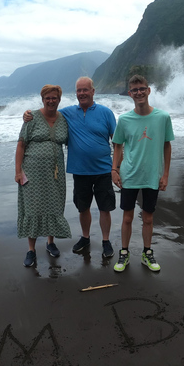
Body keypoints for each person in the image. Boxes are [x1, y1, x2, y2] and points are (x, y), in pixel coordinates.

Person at [24, 77, 117, 258]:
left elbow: (117, 142)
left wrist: (116, 167)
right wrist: (28, 114)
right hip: (80, 170)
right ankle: (85, 237)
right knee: (83, 208)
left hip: (104, 170)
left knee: (105, 208)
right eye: (78, 90)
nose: (81, 93)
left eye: (85, 90)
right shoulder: (67, 113)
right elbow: (47, 113)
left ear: (93, 91)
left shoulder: (106, 113)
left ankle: (106, 241)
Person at [111, 75, 174, 273]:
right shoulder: (124, 119)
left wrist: (165, 174)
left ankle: (147, 253)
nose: (139, 92)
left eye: (142, 89)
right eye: (135, 90)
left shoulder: (163, 117)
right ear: (129, 94)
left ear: (148, 90)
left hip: (151, 176)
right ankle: (124, 253)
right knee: (127, 218)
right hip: (130, 175)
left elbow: (167, 145)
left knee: (148, 218)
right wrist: (114, 169)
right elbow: (118, 145)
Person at [15, 85, 72, 267]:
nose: (51, 101)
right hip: (32, 173)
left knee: (53, 204)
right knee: (33, 207)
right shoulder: (31, 118)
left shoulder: (63, 119)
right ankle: (31, 250)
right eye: (47, 98)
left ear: (59, 99)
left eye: (54, 98)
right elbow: (21, 145)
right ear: (42, 99)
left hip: (55, 174)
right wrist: (18, 171)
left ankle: (50, 242)